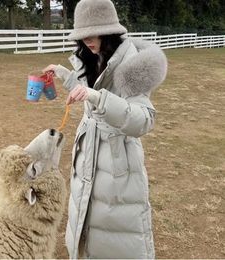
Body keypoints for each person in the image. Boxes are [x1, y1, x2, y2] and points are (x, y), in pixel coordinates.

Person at [43, 0, 167, 258]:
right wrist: (63, 74)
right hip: (88, 154)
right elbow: (88, 85)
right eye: (82, 34)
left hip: (117, 165)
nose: (87, 39)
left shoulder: (129, 64)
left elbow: (144, 119)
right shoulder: (96, 55)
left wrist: (99, 99)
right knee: (85, 228)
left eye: (93, 32)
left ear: (109, 30)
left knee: (114, 237)